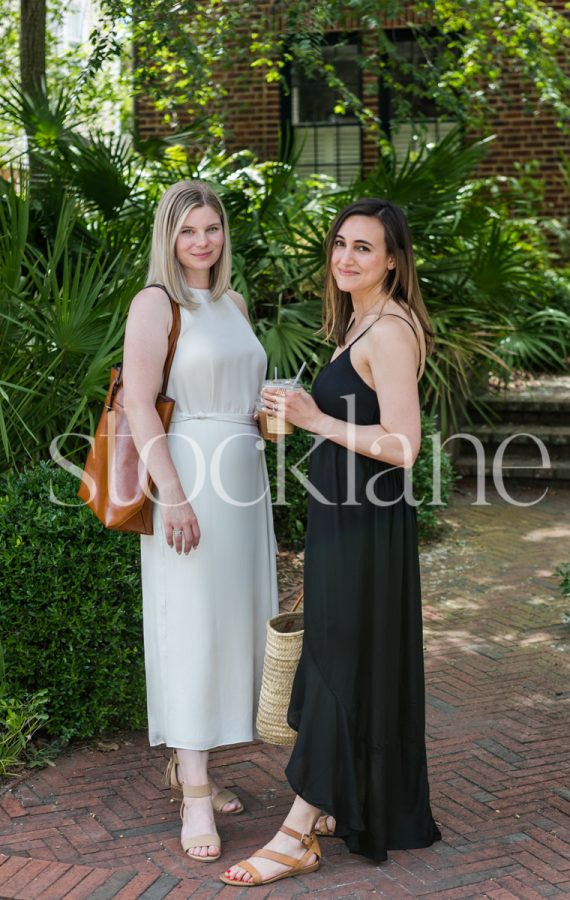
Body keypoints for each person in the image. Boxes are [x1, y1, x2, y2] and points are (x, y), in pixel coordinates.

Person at [221, 198, 441, 887]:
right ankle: (341, 804)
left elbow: (404, 446)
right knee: (346, 659)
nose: (346, 258)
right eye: (341, 244)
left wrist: (316, 419)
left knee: (337, 666)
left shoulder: (391, 330)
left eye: (364, 248)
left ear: (394, 261)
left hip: (367, 522)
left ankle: (295, 833)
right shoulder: (360, 320)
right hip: (344, 513)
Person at [123, 180, 278, 863]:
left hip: (244, 479)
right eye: (189, 231)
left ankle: (195, 767)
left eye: (212, 228)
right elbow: (137, 403)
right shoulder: (156, 304)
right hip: (188, 476)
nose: (203, 242)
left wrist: (268, 415)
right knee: (189, 626)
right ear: (170, 237)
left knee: (231, 630)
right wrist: (174, 495)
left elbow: (238, 392)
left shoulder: (234, 302)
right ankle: (193, 793)